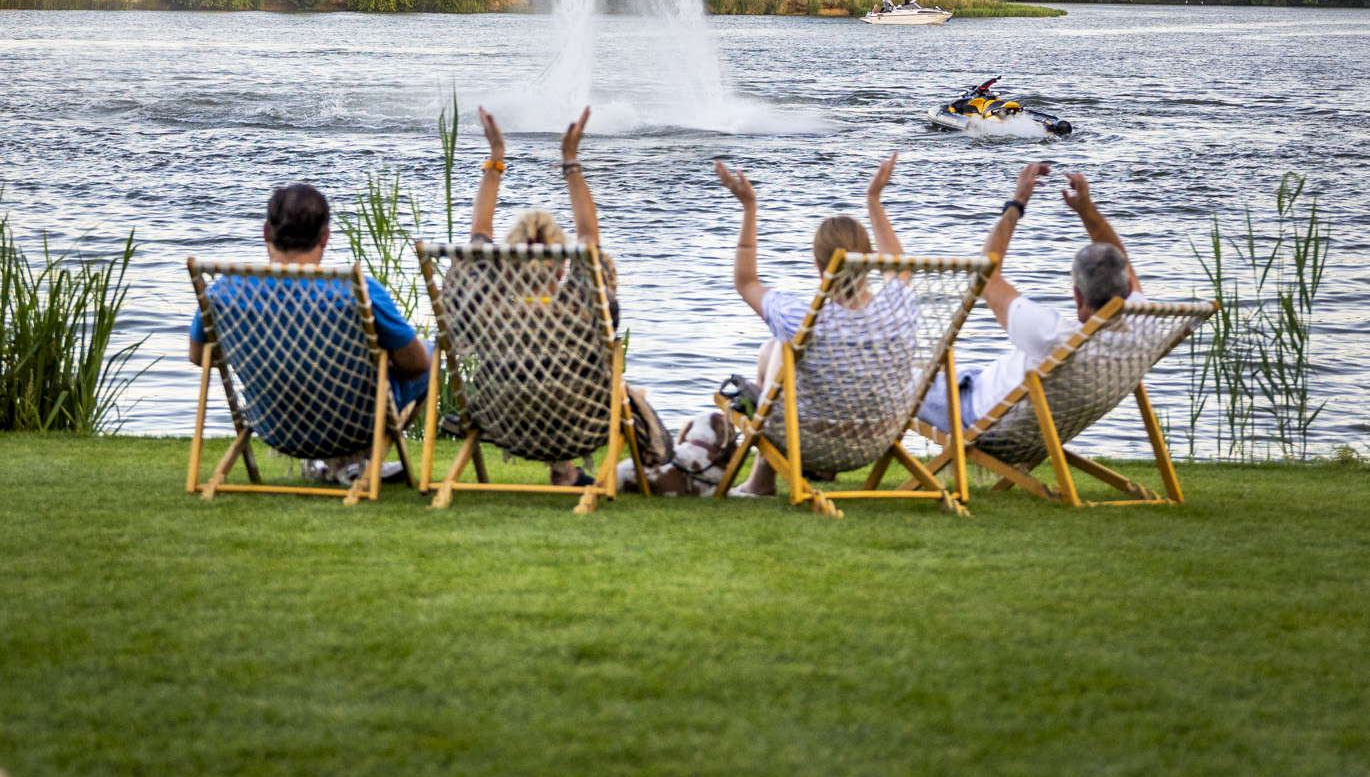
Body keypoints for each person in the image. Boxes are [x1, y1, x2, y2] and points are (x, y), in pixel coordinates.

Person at [471, 104, 668, 484]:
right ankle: (565, 470)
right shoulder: (581, 308)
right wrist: (570, 160)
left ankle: (564, 471)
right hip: (579, 420)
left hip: (501, 418)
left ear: (506, 265)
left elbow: (479, 234)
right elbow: (589, 240)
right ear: (563, 267)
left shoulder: (489, 309)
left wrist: (496, 157)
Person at [186, 182, 431, 480]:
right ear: (325, 237)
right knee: (430, 355)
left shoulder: (223, 292)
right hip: (356, 427)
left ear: (266, 233)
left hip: (273, 427)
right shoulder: (359, 291)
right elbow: (417, 365)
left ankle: (340, 466)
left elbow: (199, 356)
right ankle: (357, 463)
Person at [714, 151, 918, 496]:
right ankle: (778, 477)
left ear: (818, 265)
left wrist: (749, 207)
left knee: (776, 349)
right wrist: (874, 200)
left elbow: (746, 282)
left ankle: (762, 480)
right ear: (871, 261)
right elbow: (899, 269)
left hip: (807, 438)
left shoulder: (800, 318)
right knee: (776, 348)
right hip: (877, 437)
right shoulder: (899, 307)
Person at [918, 162, 1140, 434]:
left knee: (890, 380)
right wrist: (1087, 211)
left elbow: (986, 275)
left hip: (975, 415)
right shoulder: (1144, 329)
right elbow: (1122, 264)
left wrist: (1017, 203)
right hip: (1019, 416)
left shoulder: (1052, 335)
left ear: (1077, 296)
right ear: (1128, 287)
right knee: (930, 370)